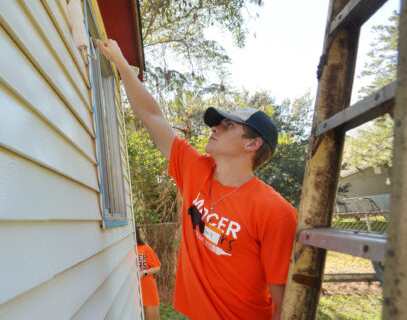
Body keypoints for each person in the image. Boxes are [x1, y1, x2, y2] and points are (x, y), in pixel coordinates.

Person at [96, 39, 298, 320]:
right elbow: (152, 116)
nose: (214, 128)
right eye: (218, 123)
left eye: (228, 125)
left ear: (252, 144)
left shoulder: (276, 213)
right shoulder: (195, 169)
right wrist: (121, 64)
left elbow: (284, 303)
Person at [136, 227, 161, 320]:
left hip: (148, 289)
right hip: (134, 292)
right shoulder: (126, 250)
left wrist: (144, 272)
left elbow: (157, 267)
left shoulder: (145, 248)